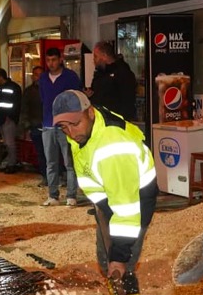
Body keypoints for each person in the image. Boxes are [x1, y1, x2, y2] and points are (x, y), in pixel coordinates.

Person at [52, 90, 156, 295]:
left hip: (132, 199)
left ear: (91, 112)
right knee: (104, 259)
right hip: (107, 200)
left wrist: (120, 256)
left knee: (124, 267)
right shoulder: (83, 131)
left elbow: (127, 211)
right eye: (64, 127)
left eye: (75, 124)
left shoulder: (113, 146)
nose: (71, 133)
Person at [39, 47, 83, 206]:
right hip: (48, 125)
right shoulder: (43, 78)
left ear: (60, 59)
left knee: (69, 162)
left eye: (53, 60)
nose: (51, 63)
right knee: (51, 163)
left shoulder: (70, 77)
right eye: (48, 60)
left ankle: (71, 195)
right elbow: (43, 99)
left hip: (67, 126)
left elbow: (76, 98)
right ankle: (53, 196)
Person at [86, 40, 137, 122]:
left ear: (104, 56)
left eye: (96, 56)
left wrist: (121, 119)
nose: (94, 60)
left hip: (116, 120)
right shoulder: (99, 73)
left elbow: (128, 99)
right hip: (100, 118)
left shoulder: (122, 72)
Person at [19, 65, 48, 186]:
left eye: (41, 75)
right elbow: (24, 109)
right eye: (36, 74)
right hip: (36, 126)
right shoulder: (29, 91)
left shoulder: (49, 88)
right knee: (41, 153)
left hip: (50, 125)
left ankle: (56, 175)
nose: (38, 77)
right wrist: (26, 126)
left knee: (52, 152)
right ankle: (45, 176)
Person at [0, 68, 23, 173]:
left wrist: (10, 117)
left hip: (8, 119)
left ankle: (12, 164)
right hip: (3, 118)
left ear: (1, 77)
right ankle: (11, 162)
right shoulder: (0, 88)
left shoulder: (10, 87)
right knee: (7, 143)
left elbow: (14, 104)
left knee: (10, 143)